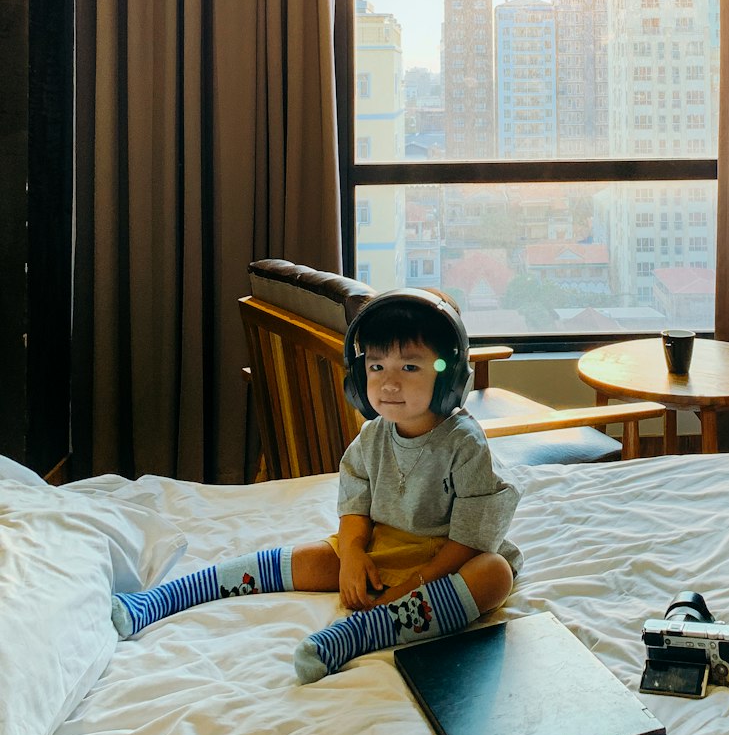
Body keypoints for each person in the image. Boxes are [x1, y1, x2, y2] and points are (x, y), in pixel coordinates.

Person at [110, 289, 522, 685]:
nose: (389, 383)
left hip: (447, 557)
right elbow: (355, 503)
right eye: (377, 367)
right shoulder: (373, 435)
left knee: (494, 575)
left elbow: (471, 539)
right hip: (380, 546)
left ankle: (361, 633)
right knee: (306, 559)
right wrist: (353, 555)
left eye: (410, 367)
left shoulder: (465, 444)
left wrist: (412, 586)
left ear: (447, 375)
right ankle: (161, 599)